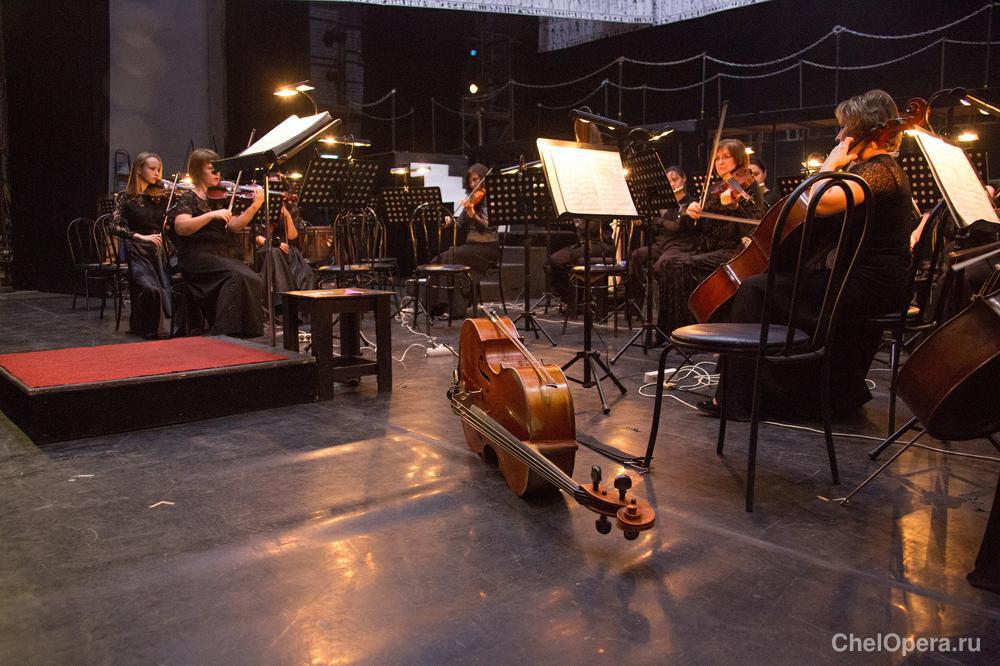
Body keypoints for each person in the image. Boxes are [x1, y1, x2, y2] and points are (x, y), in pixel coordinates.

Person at [704, 89, 914, 420]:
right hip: (862, 280)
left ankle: (739, 400)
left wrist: (830, 165)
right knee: (772, 284)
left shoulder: (879, 171)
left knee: (756, 289)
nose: (839, 136)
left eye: (845, 128)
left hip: (868, 287)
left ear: (864, 130)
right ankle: (775, 390)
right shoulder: (873, 170)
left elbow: (820, 202)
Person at [655, 139, 767, 336]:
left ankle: (687, 331)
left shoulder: (748, 186)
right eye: (717, 158)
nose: (720, 162)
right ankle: (669, 331)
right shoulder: (715, 189)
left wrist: (735, 207)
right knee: (667, 264)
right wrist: (691, 212)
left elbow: (754, 227)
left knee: (678, 265)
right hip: (708, 248)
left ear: (739, 159)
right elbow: (701, 228)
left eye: (726, 157)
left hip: (733, 252)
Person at [170, 148, 265, 337]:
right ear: (198, 171)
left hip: (220, 255)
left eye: (218, 170)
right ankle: (223, 331)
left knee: (253, 278)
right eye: (211, 169)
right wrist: (211, 215)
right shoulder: (188, 197)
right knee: (234, 276)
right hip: (196, 256)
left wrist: (255, 206)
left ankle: (246, 332)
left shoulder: (220, 198)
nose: (217, 174)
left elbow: (234, 226)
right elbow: (181, 227)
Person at [107, 152, 173, 338]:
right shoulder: (125, 197)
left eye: (159, 169)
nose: (157, 173)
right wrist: (139, 237)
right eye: (152, 169)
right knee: (150, 288)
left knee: (170, 286)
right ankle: (145, 328)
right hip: (137, 251)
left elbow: (170, 225)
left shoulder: (161, 197)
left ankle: (166, 328)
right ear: (139, 170)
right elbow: (113, 226)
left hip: (160, 252)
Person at [427, 163, 498, 319]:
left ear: (483, 179)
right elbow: (459, 224)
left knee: (452, 255)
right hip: (471, 248)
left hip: (486, 249)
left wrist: (473, 214)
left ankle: (450, 308)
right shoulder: (471, 200)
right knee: (437, 260)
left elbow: (485, 228)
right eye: (470, 181)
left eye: (476, 180)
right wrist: (450, 222)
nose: (472, 184)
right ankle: (436, 306)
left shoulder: (491, 200)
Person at [627, 165, 696, 307]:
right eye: (668, 181)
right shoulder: (667, 203)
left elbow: (675, 227)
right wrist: (641, 224)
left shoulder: (690, 203)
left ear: (684, 179)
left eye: (675, 180)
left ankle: (662, 303)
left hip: (680, 245)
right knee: (636, 255)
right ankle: (639, 298)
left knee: (659, 266)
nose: (672, 184)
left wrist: (657, 220)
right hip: (663, 244)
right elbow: (657, 229)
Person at [254, 189, 316, 296]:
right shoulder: (261, 205)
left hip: (287, 249)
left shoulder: (291, 208)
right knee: (274, 252)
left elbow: (292, 236)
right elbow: (257, 237)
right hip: (267, 247)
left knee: (305, 271)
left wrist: (287, 216)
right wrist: (274, 242)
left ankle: (299, 300)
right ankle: (281, 296)